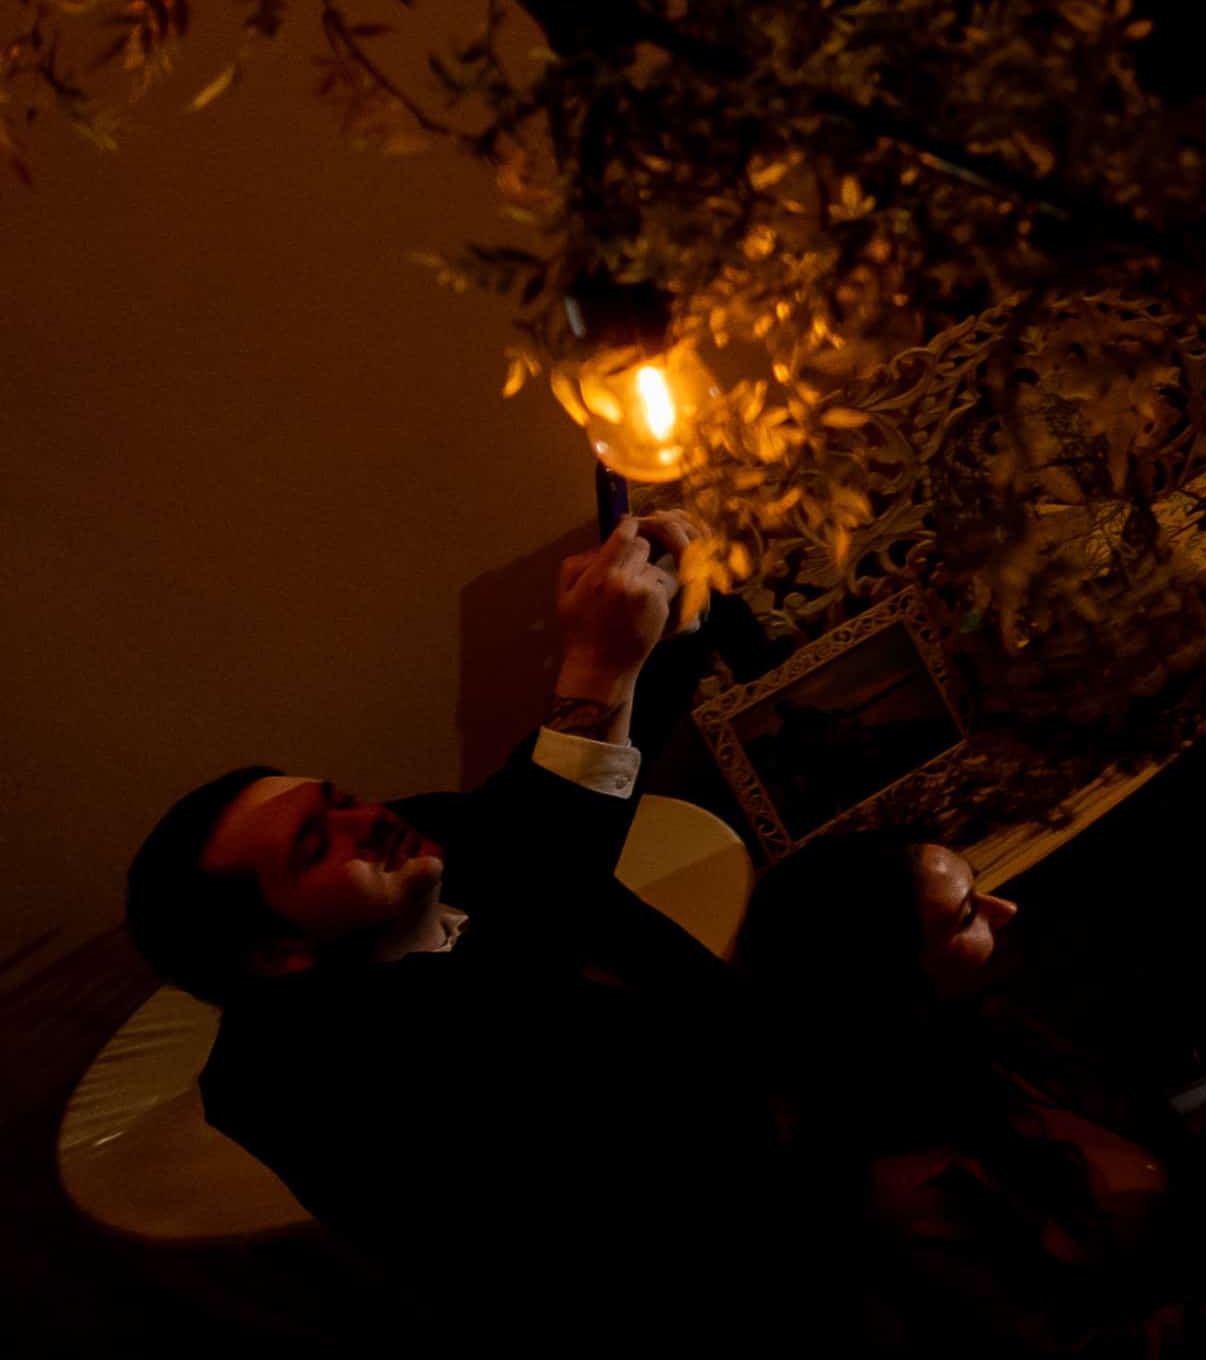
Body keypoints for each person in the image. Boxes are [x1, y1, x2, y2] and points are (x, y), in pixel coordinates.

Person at [122, 512, 780, 1299]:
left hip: (781, 1116)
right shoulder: (291, 1089)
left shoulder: (428, 838)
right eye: (315, 845)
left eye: (341, 799)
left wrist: (674, 620)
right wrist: (596, 668)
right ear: (275, 953)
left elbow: (541, 804)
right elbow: (515, 964)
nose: (367, 820)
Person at [740, 831, 1206, 1350]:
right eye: (966, 915)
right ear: (887, 993)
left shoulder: (986, 1033)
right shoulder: (911, 1197)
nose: (1005, 909)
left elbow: (1159, 1135)